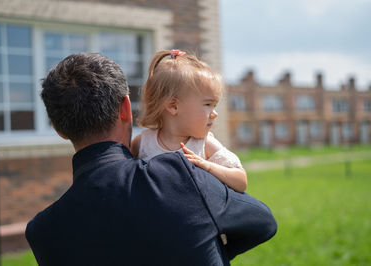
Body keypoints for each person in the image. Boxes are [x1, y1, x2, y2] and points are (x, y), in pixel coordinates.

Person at [25, 52, 277, 266]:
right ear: (125, 109)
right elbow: (263, 223)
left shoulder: (42, 233)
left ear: (58, 128)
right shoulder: (179, 174)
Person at [131, 49, 247, 193]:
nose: (214, 114)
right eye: (207, 104)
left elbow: (241, 181)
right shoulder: (142, 143)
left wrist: (208, 166)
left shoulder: (204, 145)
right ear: (173, 106)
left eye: (214, 105)